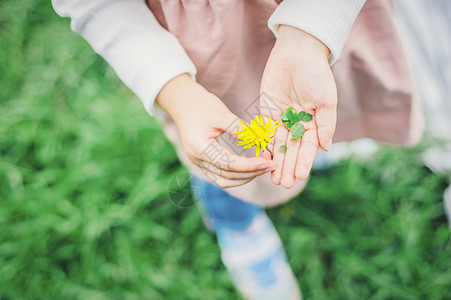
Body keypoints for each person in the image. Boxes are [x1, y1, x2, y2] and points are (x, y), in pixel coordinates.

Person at [52, 0, 422, 298]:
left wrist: (311, 32)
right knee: (224, 159)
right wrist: (176, 92)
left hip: (321, 23)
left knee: (314, 110)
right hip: (206, 53)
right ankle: (238, 229)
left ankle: (320, 153)